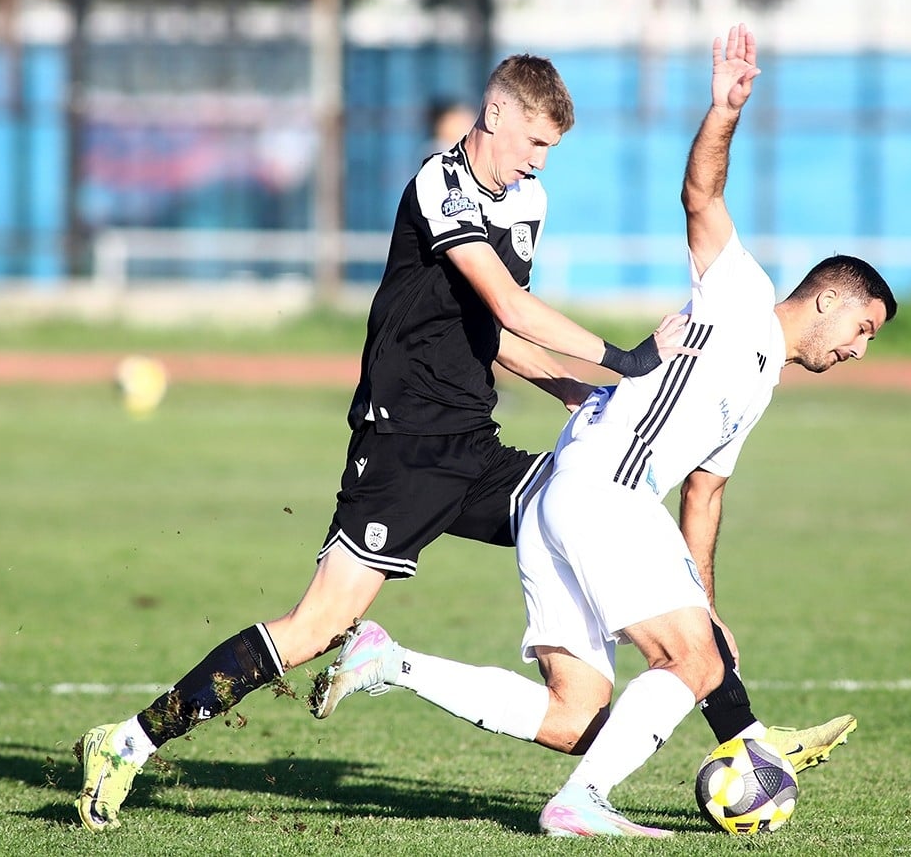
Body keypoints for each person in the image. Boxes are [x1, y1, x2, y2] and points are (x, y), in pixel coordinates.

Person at [73, 52, 692, 833]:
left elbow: (494, 331)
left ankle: (708, 710)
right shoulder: (440, 184)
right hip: (399, 449)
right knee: (313, 629)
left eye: (550, 151)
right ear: (496, 114)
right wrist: (628, 361)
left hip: (474, 445)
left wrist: (572, 390)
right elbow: (507, 300)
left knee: (591, 511)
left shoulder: (528, 199)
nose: (539, 162)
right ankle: (126, 741)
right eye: (534, 142)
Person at [310, 24, 897, 838]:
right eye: (862, 326)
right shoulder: (740, 290)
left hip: (566, 496)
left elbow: (705, 495)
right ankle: (592, 801)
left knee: (575, 715)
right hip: (602, 492)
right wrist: (723, 112)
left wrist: (706, 606)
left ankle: (392, 662)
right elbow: (702, 193)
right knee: (688, 662)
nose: (857, 347)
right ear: (828, 297)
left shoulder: (758, 383)